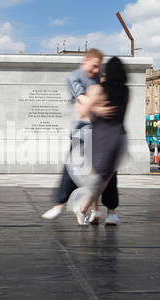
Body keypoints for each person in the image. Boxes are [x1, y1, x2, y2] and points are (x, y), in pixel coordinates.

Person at [41, 48, 118, 225]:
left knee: (107, 174)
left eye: (99, 67)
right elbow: (81, 98)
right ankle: (60, 204)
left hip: (101, 132)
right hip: (83, 132)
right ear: (85, 61)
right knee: (72, 167)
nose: (96, 70)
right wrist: (98, 108)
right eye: (94, 66)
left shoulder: (100, 76)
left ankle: (106, 210)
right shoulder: (74, 77)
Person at [70, 56, 129, 226]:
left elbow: (85, 112)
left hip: (97, 135)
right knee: (105, 177)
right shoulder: (125, 90)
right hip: (116, 135)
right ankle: (85, 208)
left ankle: (93, 210)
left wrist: (96, 110)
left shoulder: (99, 88)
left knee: (98, 176)